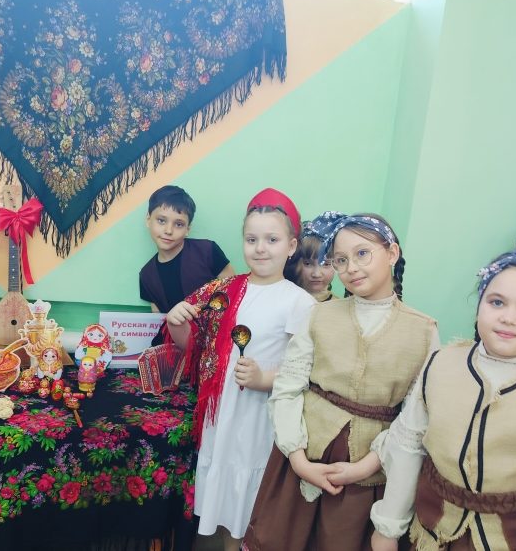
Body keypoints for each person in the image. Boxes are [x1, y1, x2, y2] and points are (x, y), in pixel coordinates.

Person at [368, 223, 516, 550]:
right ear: (480, 305)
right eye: (497, 302)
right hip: (427, 533)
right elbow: (407, 450)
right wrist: (388, 528)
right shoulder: (440, 364)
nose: (508, 317)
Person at [243, 213, 438, 551]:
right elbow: (288, 386)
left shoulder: (423, 331)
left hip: (370, 470)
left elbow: (414, 419)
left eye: (362, 254)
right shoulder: (318, 314)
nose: (351, 268)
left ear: (392, 253)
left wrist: (366, 466)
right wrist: (298, 459)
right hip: (302, 458)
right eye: (341, 260)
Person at [166, 188, 315, 551]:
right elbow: (195, 347)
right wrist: (176, 322)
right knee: (221, 495)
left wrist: (265, 379)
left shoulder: (299, 302)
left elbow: (307, 371)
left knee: (247, 496)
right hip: (223, 411)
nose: (260, 248)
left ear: (291, 246)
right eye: (251, 239)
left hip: (258, 416)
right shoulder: (224, 290)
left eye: (272, 240)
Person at [139, 186, 233, 343]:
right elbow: (160, 320)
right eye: (161, 220)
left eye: (179, 224)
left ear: (188, 229)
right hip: (180, 345)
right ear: (148, 219)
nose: (168, 230)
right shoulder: (147, 275)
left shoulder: (207, 251)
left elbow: (235, 291)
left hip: (218, 339)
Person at [286, 212, 343, 302]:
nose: (316, 274)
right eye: (307, 264)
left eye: (326, 264)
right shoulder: (285, 300)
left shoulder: (339, 305)